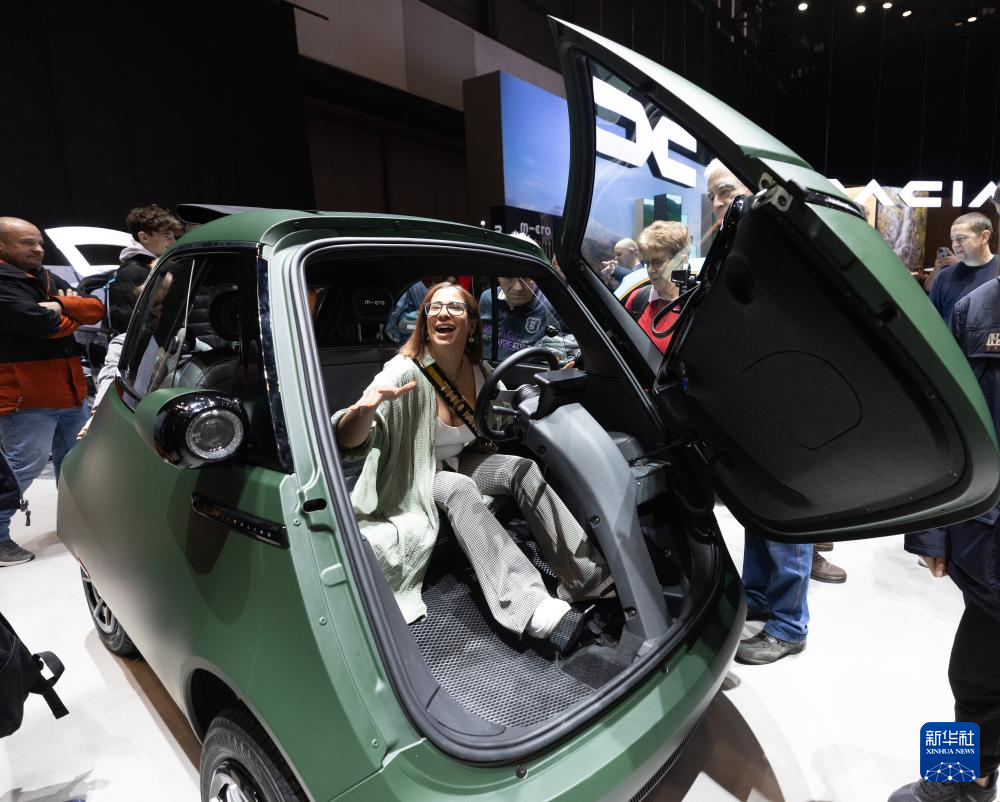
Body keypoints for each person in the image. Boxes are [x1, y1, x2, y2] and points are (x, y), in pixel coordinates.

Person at [333, 282, 610, 653]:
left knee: (522, 468)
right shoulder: (401, 372)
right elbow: (349, 442)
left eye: (455, 307)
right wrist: (364, 411)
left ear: (472, 323)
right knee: (459, 488)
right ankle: (527, 602)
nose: (443, 313)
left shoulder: (480, 370)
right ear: (425, 320)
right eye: (434, 307)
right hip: (412, 473)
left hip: (459, 459)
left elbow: (501, 415)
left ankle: (585, 575)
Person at [888, 189, 1000, 802]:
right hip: (990, 538)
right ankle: (967, 777)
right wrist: (932, 528)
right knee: (973, 672)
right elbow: (948, 425)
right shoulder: (976, 309)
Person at [0, 217, 105, 566]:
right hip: (26, 396)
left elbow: (96, 309)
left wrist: (60, 305)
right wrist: (68, 311)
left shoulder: (44, 277)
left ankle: (76, 523)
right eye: (27, 243)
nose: (38, 249)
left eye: (40, 243)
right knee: (21, 469)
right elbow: (42, 325)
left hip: (69, 390)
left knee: (76, 464)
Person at [109, 204, 183, 333]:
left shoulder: (162, 265)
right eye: (167, 236)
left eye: (173, 237)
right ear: (144, 237)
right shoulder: (131, 271)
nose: (173, 242)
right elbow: (127, 321)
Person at [624, 221, 689, 354]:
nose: (650, 270)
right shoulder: (638, 299)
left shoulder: (695, 303)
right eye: (647, 263)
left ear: (681, 261)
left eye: (657, 262)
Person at [927, 212, 997, 324]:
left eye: (961, 238)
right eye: (952, 239)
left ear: (984, 237)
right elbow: (930, 320)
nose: (955, 244)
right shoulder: (943, 276)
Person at [478, 276, 568, 362]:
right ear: (498, 278)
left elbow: (564, 354)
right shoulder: (488, 299)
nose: (518, 288)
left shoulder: (552, 307)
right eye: (509, 277)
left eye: (525, 277)